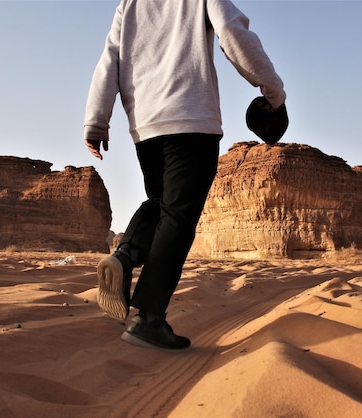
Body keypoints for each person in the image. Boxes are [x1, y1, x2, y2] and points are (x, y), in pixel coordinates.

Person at [84, 0, 286, 352]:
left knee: (161, 204)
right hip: (191, 120)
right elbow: (232, 34)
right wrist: (273, 91)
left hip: (145, 126)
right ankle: (149, 320)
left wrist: (96, 120)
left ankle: (126, 255)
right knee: (178, 217)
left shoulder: (128, 5)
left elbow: (109, 60)